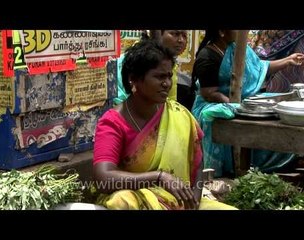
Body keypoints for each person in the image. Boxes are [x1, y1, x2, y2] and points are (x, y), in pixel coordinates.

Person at [92, 39, 236, 210]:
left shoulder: (179, 115)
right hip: (138, 200)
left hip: (179, 202)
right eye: (159, 77)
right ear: (134, 79)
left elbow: (197, 164)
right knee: (121, 201)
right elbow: (103, 178)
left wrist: (194, 202)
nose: (167, 83)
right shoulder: (113, 121)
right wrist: (158, 177)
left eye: (169, 76)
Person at [191, 29, 304, 177]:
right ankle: (231, 167)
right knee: (219, 115)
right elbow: (209, 93)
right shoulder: (207, 56)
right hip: (212, 104)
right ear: (221, 32)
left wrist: (288, 60)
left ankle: (289, 155)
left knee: (278, 104)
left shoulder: (237, 49)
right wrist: (238, 105)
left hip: (239, 100)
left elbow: (260, 67)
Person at [113, 30, 191, 108]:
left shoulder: (169, 63)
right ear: (158, 33)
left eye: (184, 36)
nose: (181, 40)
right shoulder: (135, 60)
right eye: (175, 34)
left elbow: (171, 103)